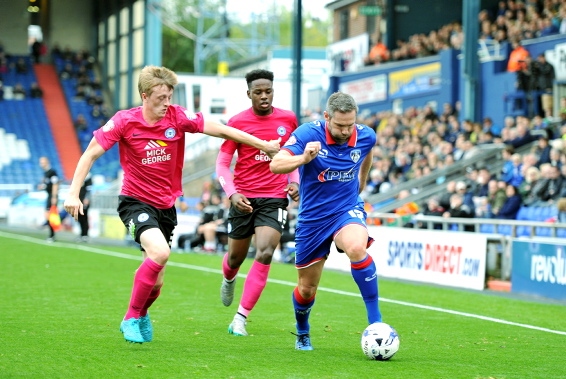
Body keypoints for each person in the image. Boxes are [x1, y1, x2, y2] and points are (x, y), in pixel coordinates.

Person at [63, 65, 281, 344]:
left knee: (157, 283)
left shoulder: (177, 117)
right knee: (160, 252)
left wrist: (262, 144)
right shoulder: (123, 121)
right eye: (160, 98)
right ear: (144, 96)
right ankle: (131, 316)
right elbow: (90, 154)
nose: (167, 103)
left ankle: (141, 314)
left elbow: (221, 130)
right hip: (134, 201)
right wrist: (73, 192)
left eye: (169, 97)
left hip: (165, 206)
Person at [269, 92, 382, 351]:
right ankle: (302, 330)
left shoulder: (366, 135)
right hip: (313, 218)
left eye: (350, 124)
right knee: (307, 289)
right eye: (339, 125)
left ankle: (375, 322)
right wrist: (303, 159)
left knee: (356, 247)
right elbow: (276, 165)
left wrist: (359, 187)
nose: (345, 130)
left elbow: (368, 151)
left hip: (346, 209)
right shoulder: (308, 134)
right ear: (327, 117)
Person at [216, 69, 299, 337]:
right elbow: (222, 163)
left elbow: (292, 156)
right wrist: (232, 193)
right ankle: (229, 277)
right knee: (235, 258)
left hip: (274, 197)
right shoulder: (237, 122)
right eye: (258, 92)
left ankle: (240, 318)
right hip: (243, 198)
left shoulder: (288, 119)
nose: (264, 96)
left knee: (264, 252)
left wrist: (295, 181)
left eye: (268, 91)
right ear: (249, 94)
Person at [38, 156, 59, 242]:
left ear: (47, 162)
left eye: (42, 162)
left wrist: (54, 197)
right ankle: (51, 234)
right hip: (49, 195)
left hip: (52, 196)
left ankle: (52, 235)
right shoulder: (46, 173)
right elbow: (48, 185)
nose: (41, 164)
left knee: (50, 215)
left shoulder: (52, 172)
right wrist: (42, 187)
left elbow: (55, 184)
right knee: (48, 215)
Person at [76, 172, 92, 242]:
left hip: (84, 201)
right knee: (79, 218)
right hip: (78, 200)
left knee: (84, 218)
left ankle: (85, 235)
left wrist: (87, 198)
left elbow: (89, 190)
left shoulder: (88, 176)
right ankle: (82, 234)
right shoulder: (79, 175)